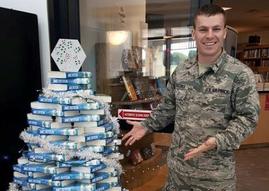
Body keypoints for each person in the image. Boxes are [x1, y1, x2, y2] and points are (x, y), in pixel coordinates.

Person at [122, 4, 260, 191]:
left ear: (224, 32)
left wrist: (218, 140)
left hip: (214, 179)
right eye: (203, 29)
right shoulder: (181, 72)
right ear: (194, 33)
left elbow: (248, 118)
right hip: (178, 176)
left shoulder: (240, 75)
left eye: (216, 29)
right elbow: (167, 108)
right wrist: (146, 125)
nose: (209, 35)